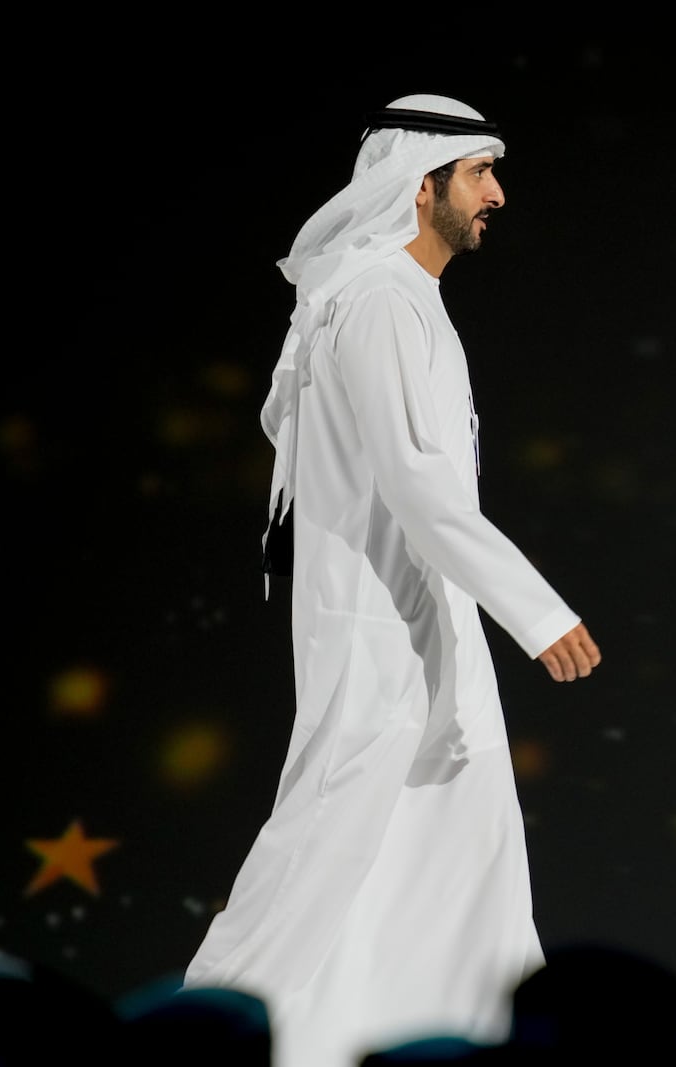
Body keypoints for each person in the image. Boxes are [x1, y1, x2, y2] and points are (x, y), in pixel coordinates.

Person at [182, 93, 602, 1067]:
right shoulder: (375, 298)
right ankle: (193, 1036)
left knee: (461, 849)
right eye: (480, 173)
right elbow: (415, 480)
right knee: (326, 841)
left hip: (424, 617)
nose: (496, 194)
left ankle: (454, 1038)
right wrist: (536, 611)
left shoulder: (392, 296)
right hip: (381, 625)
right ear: (422, 187)